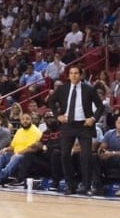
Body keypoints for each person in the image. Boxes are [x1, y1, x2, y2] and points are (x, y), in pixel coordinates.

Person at [46, 66, 104, 196]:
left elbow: (101, 106)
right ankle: (70, 185)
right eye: (71, 73)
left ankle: (87, 186)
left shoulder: (89, 89)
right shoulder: (63, 88)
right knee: (65, 155)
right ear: (68, 76)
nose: (74, 75)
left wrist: (94, 118)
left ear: (81, 75)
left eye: (76, 73)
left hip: (84, 125)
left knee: (86, 156)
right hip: (68, 125)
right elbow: (51, 101)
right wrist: (57, 115)